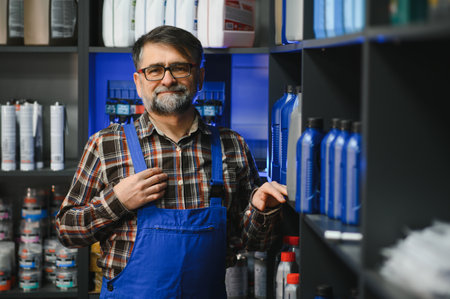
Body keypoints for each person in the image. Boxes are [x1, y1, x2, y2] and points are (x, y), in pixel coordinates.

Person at [56, 25, 287, 298]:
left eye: (179, 67)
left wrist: (262, 211)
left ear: (199, 76)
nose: (167, 80)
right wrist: (118, 200)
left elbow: (254, 244)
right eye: (154, 70)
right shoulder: (105, 145)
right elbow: (67, 230)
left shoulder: (232, 145)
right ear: (138, 81)